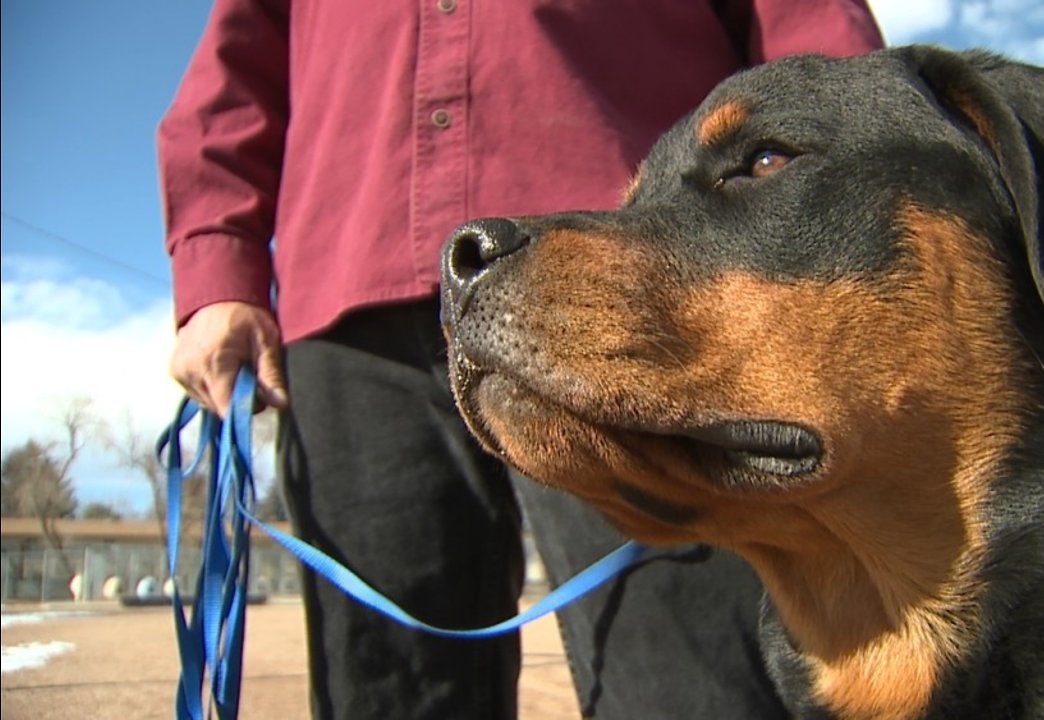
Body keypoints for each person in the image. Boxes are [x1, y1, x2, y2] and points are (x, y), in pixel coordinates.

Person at [159, 1, 883, 718]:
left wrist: (859, 188)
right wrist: (216, 268)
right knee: (388, 694)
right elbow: (236, 69)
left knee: (696, 691)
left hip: (637, 285)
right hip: (350, 304)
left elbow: (812, 33)